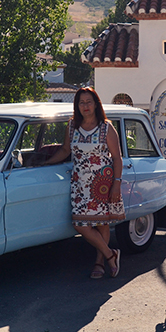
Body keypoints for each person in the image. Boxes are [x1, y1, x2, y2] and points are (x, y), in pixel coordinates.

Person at [45, 87, 125, 278]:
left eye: (89, 101)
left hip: (102, 183)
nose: (85, 106)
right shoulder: (72, 126)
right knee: (80, 224)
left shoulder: (106, 127)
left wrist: (116, 184)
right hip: (80, 184)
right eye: (81, 102)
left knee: (102, 224)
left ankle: (99, 263)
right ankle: (110, 254)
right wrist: (46, 162)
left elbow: (117, 158)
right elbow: (66, 150)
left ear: (96, 104)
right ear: (77, 106)